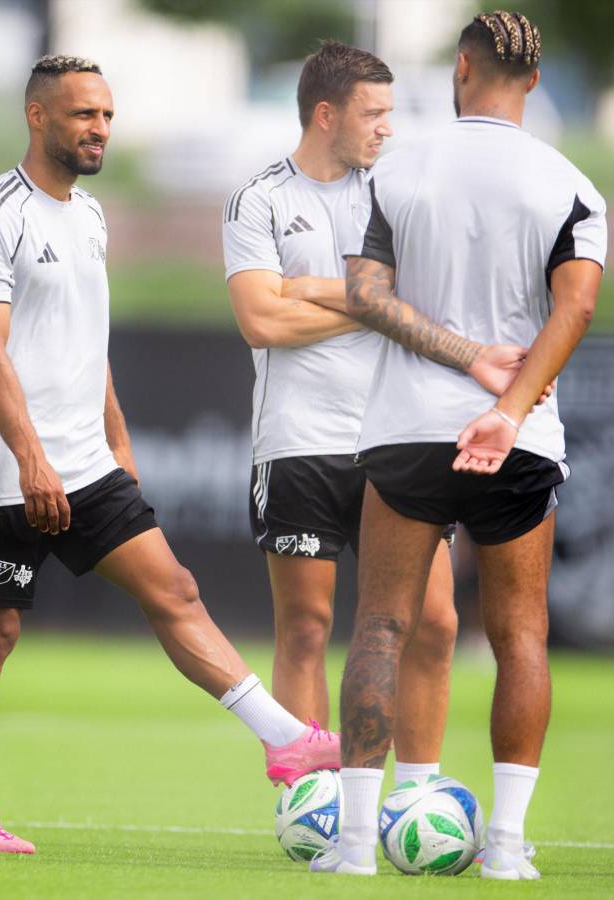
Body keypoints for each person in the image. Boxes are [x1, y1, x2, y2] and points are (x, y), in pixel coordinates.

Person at [0, 55, 339, 856]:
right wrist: (31, 460)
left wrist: (115, 439)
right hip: (0, 467)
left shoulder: (90, 216)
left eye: (108, 116)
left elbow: (86, 344)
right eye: (84, 114)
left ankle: (285, 738)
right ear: (38, 117)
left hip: (86, 460)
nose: (100, 130)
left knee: (176, 590)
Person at [308, 11, 607, 879]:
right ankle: (507, 849)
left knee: (381, 626)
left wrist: (462, 362)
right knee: (521, 637)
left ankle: (357, 844)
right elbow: (576, 308)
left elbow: (365, 293)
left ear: (462, 66)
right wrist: (508, 407)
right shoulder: (572, 183)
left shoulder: (398, 167)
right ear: (537, 81)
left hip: (406, 431)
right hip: (516, 439)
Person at [223, 40, 538, 789]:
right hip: (297, 437)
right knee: (306, 627)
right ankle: (311, 801)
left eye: (391, 113)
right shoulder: (259, 196)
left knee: (434, 624)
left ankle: (415, 791)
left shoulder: (394, 191)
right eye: (374, 113)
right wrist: (371, 305)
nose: (387, 128)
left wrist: (313, 291)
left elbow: (426, 303)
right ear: (326, 114)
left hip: (394, 438)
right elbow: (262, 321)